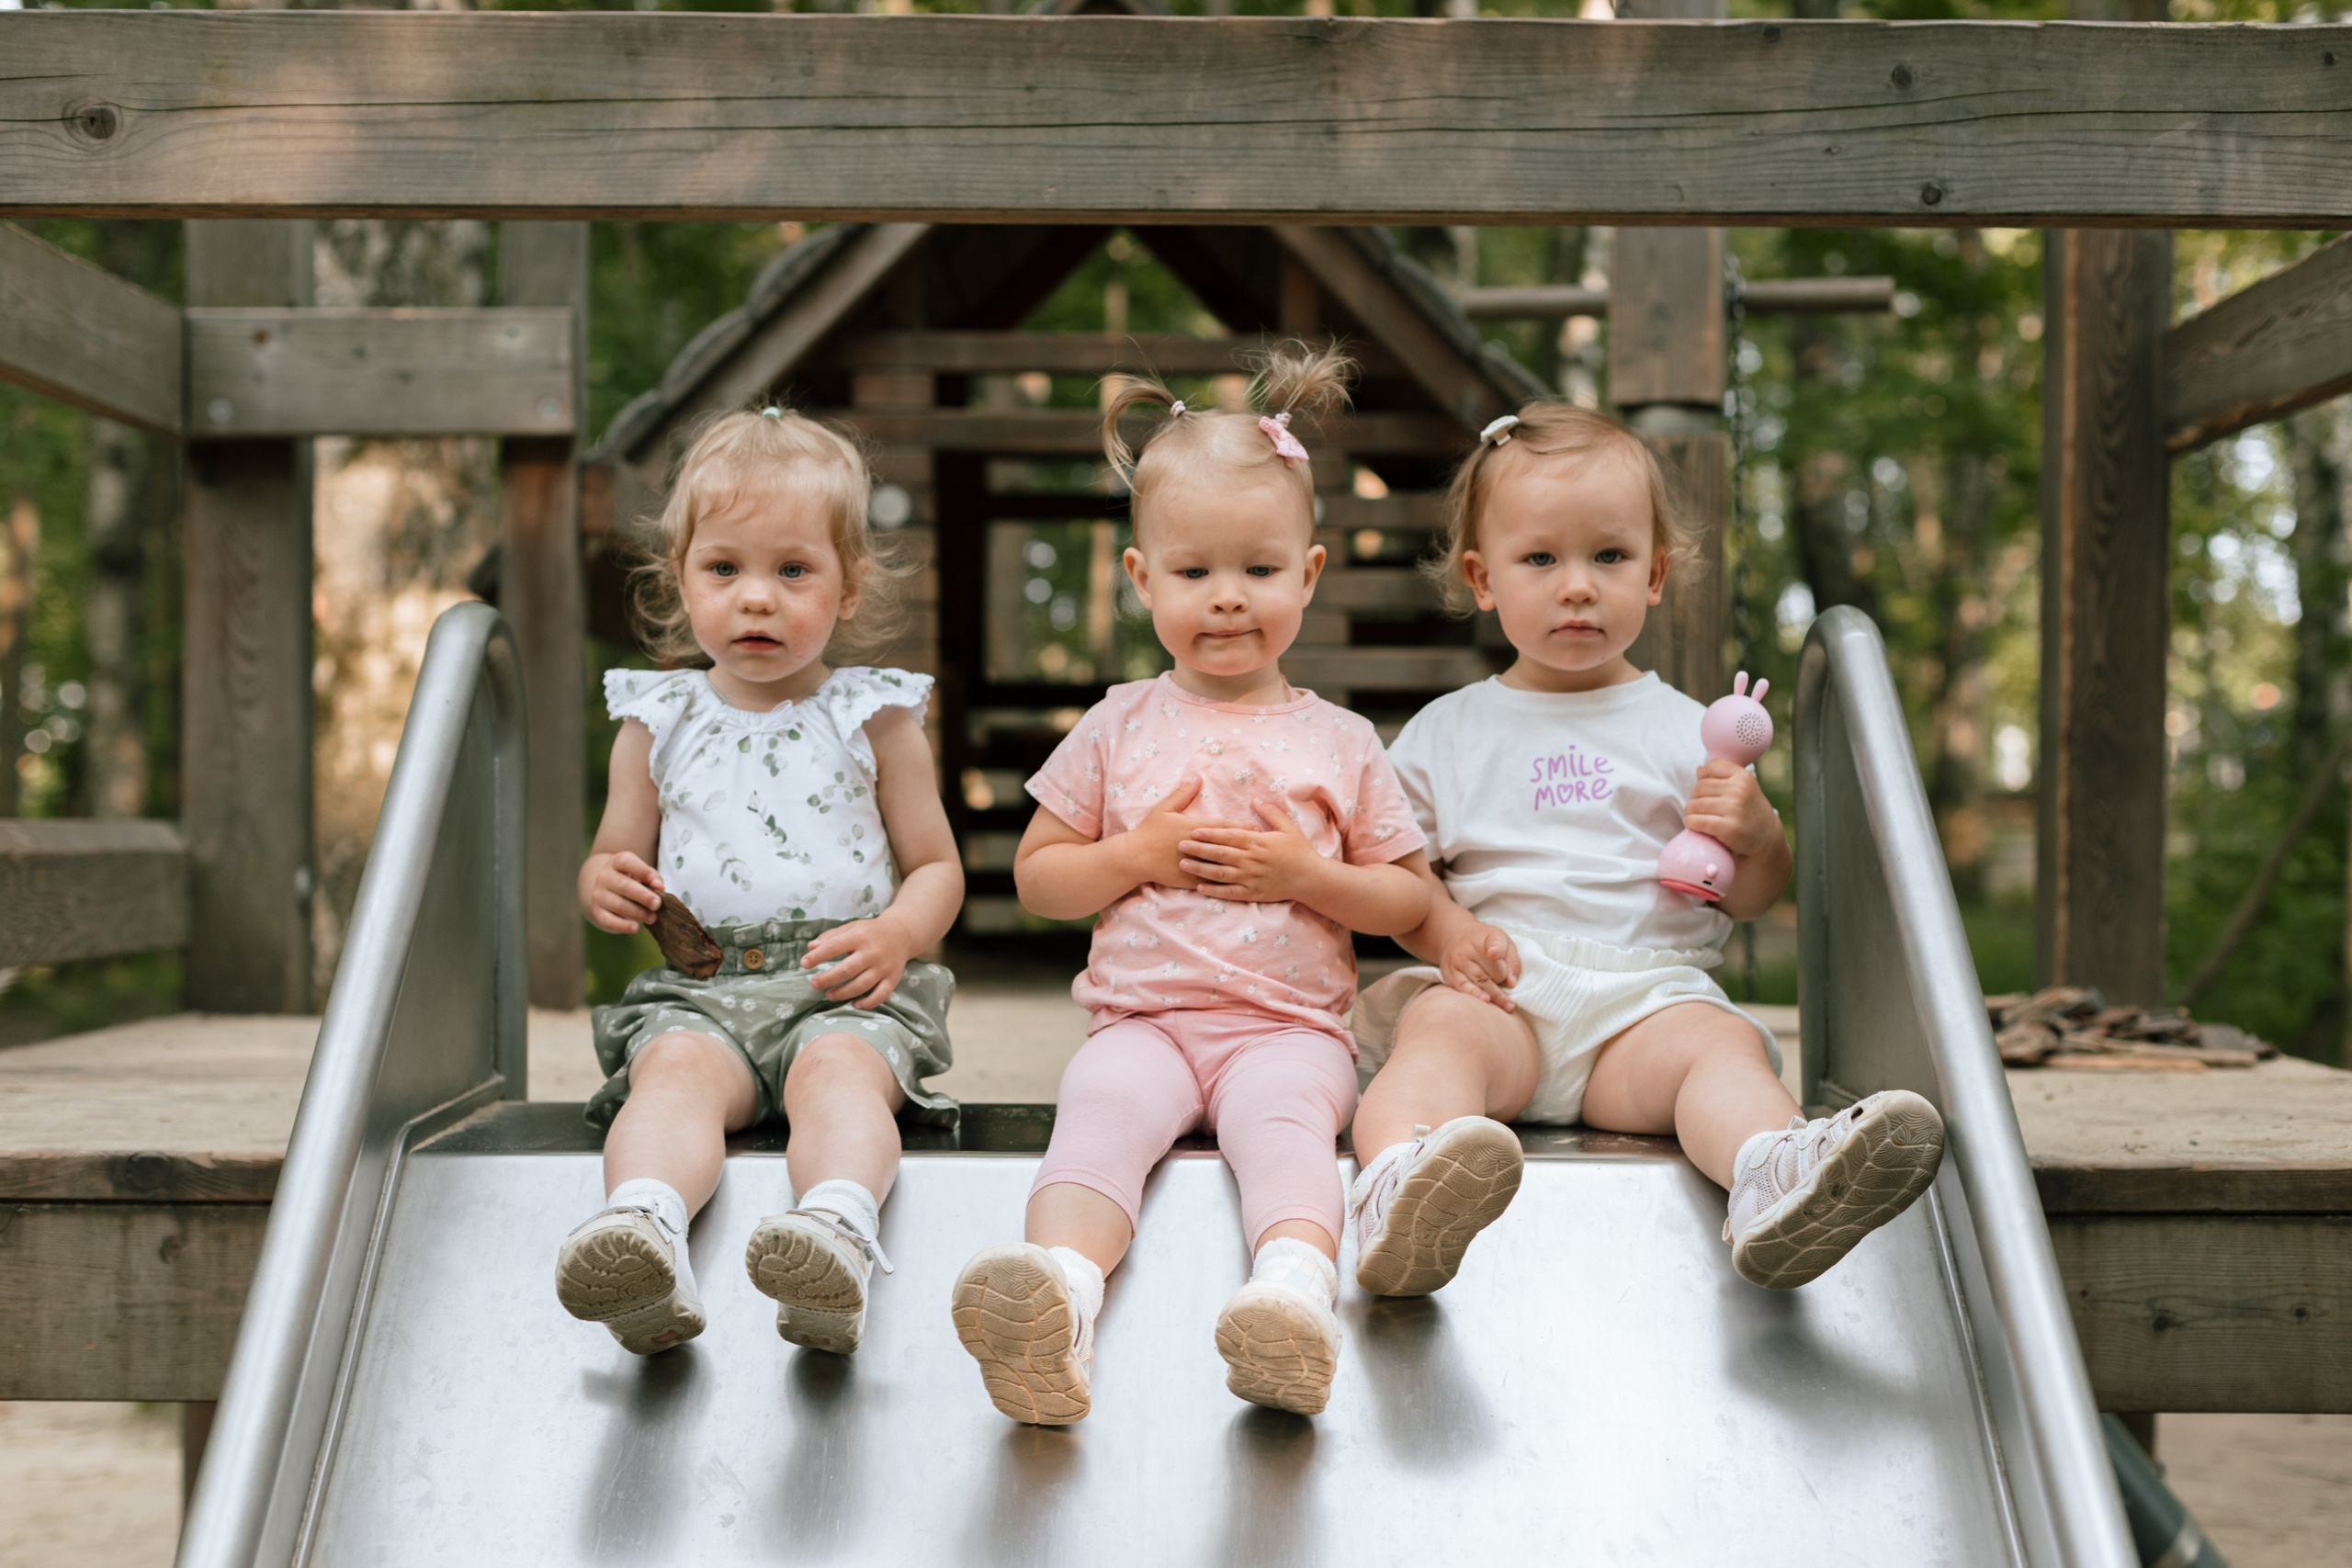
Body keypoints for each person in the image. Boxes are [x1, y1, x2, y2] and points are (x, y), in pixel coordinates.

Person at [1347, 402, 1945, 1299]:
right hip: (1499, 994)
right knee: (1432, 1043)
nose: (1578, 585)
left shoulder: (1685, 730)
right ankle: (1398, 1185)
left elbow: (1752, 897)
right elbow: (1393, 872)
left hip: (1645, 1005)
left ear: (1656, 573)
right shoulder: (1445, 732)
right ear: (1482, 577)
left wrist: (1754, 834)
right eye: (1540, 559)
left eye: (1610, 557)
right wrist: (1444, 940)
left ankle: (1771, 1175)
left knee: (1718, 1052)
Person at [951, 346, 1432, 1424]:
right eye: (1194, 573)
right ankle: (1059, 1299)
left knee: (1285, 1136)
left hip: (1288, 1029)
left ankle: (1293, 1295)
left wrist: (1311, 876)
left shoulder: (1340, 741)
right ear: (1140, 579)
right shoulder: (1119, 722)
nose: (1227, 601)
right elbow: (1038, 879)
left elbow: (1406, 903)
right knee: (1099, 1117)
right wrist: (1131, 860)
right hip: (1144, 1020)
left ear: (1307, 575)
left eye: (1259, 573)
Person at [554, 407, 963, 1357]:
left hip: (840, 989)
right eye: (725, 569)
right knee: (672, 1080)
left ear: (848, 586)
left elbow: (937, 867)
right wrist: (603, 884)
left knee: (840, 1082)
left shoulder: (875, 716)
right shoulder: (658, 718)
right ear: (681, 582)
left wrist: (899, 934)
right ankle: (643, 1227)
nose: (756, 600)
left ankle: (833, 1231)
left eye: (793, 570)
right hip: (706, 990)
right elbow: (617, 853)